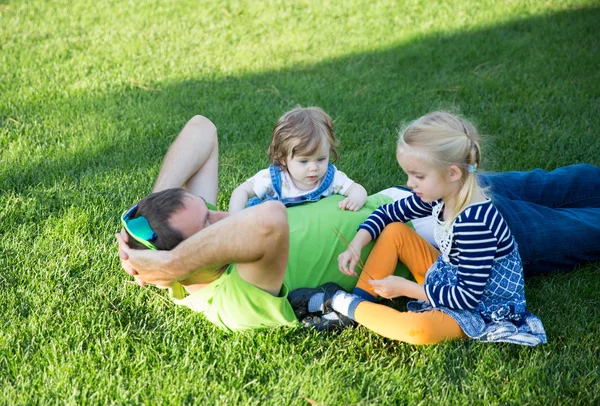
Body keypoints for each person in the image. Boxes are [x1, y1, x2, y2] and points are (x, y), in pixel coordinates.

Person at [117, 114, 600, 335]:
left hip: (417, 196)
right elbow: (267, 218)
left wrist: (146, 212)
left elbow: (202, 129)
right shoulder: (234, 297)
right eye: (208, 220)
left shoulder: (191, 252)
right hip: (460, 238)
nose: (222, 212)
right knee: (583, 228)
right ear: (188, 260)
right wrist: (173, 260)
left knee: (561, 183)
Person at [305, 112, 548, 345]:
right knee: (395, 231)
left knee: (419, 330)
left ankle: (340, 300)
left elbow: (466, 298)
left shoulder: (476, 225)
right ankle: (360, 302)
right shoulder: (439, 195)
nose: (410, 183)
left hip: (480, 308)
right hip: (449, 278)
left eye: (418, 176)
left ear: (452, 173)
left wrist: (407, 288)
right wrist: (356, 244)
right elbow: (388, 213)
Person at [228, 106, 367, 213]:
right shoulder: (273, 178)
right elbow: (242, 191)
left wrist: (355, 199)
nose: (314, 168)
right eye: (304, 161)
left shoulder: (331, 179)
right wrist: (235, 217)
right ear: (283, 159)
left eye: (321, 159)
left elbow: (356, 189)